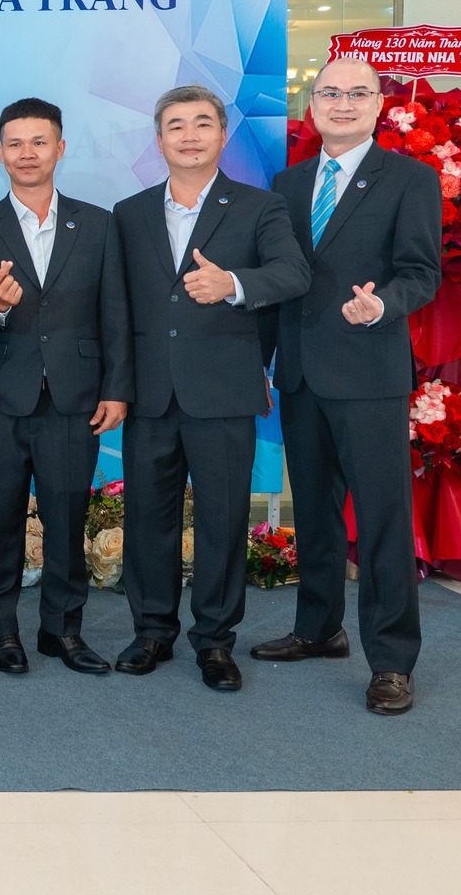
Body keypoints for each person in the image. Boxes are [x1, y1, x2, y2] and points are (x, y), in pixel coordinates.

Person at [255, 59, 441, 715]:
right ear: (312, 105)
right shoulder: (288, 182)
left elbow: (422, 272)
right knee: (313, 510)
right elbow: (278, 282)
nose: (342, 103)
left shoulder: (410, 179)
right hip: (301, 372)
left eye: (357, 93)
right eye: (329, 92)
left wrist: (383, 304)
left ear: (378, 104)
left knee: (384, 519)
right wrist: (260, 363)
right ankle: (318, 628)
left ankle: (391, 660)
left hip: (368, 373)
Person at [111, 84, 309, 692]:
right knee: (149, 518)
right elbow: (116, 308)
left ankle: (216, 641)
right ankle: (152, 631)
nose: (190, 135)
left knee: (223, 520)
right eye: (176, 125)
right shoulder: (129, 212)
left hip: (223, 391)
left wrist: (234, 284)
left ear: (222, 136)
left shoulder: (259, 207)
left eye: (202, 123)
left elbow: (293, 273)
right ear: (159, 139)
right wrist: (116, 386)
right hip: (149, 394)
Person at [0, 98, 131, 677]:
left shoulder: (99, 223)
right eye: (15, 143)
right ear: (0, 152)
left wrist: (116, 388)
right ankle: (2, 631)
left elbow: (116, 313)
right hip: (0, 399)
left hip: (74, 398)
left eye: (39, 142)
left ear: (59, 148)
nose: (27, 153)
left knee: (67, 516)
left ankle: (63, 630)